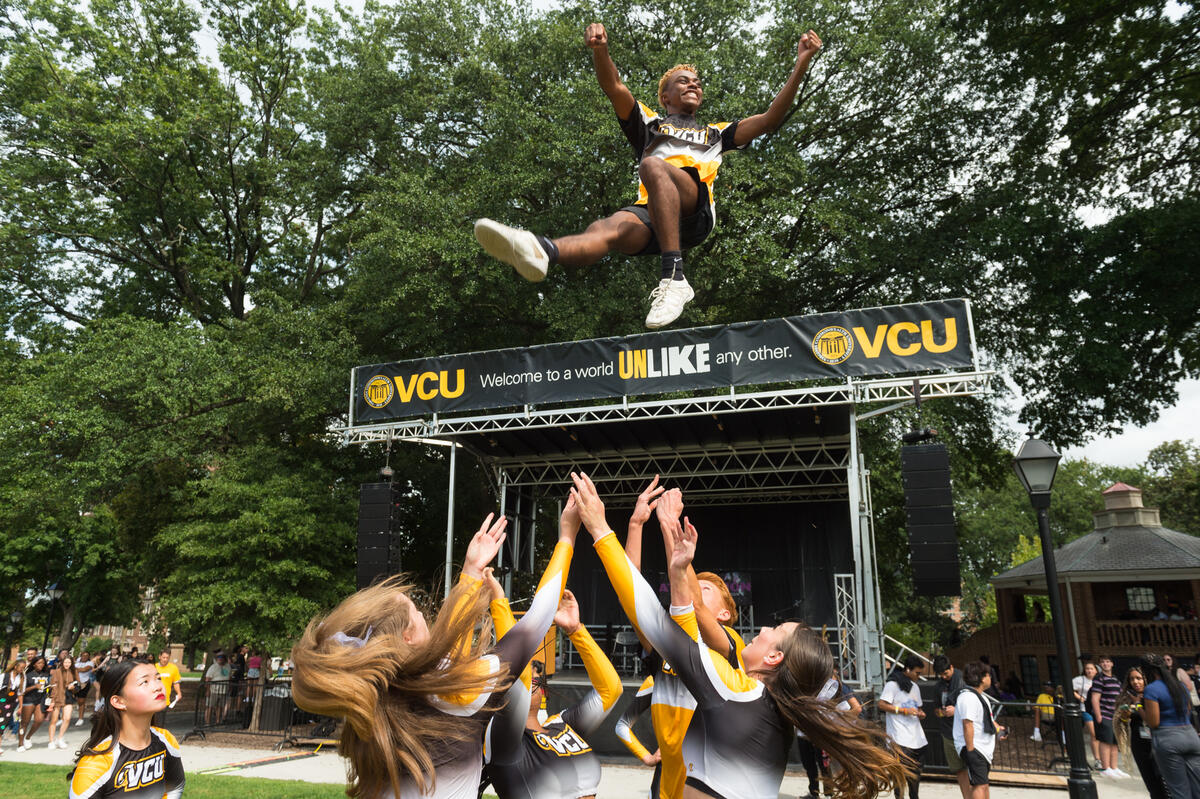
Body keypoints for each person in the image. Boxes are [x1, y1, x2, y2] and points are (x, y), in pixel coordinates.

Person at [569, 471, 908, 798]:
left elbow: (667, 608)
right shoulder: (773, 712)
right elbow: (652, 601)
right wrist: (646, 530)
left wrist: (602, 527)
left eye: (773, 630)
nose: (762, 627)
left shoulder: (733, 674)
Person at [474, 23, 823, 330]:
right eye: (683, 82)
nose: (694, 85)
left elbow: (769, 119)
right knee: (607, 228)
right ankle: (543, 251)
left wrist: (801, 63)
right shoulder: (649, 124)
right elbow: (615, 86)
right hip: (653, 214)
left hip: (694, 214)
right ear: (665, 95)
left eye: (697, 83)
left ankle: (674, 276)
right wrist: (601, 50)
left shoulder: (717, 133)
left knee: (653, 166)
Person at [291, 507, 575, 799]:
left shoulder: (375, 709)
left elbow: (445, 657)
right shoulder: (459, 695)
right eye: (416, 611)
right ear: (408, 636)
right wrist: (567, 536)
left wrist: (471, 572)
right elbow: (537, 618)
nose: (424, 615)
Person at [615, 482, 748, 799]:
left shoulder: (729, 645)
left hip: (710, 787)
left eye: (704, 588)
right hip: (664, 788)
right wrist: (636, 525)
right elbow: (632, 592)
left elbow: (694, 606)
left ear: (725, 615)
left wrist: (669, 526)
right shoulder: (668, 647)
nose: (690, 587)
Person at [483, 580, 621, 799]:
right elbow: (519, 680)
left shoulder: (562, 725)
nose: (529, 687)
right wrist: (499, 602)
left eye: (536, 683)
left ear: (544, 691)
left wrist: (576, 630)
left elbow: (610, 690)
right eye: (527, 682)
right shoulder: (504, 740)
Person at [69, 659, 184, 799]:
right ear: (118, 701)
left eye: (158, 678)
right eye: (144, 682)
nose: (158, 686)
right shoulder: (97, 762)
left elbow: (175, 786)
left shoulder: (166, 740)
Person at [1141, 653, 1200, 798]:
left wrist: (1138, 708)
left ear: (1147, 670)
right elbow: (1186, 712)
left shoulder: (1152, 689)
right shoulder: (1180, 686)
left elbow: (1154, 722)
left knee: (1179, 790)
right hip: (1190, 735)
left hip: (1168, 739)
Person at [953, 661, 1005, 798]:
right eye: (988, 675)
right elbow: (967, 725)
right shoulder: (968, 697)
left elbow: (986, 720)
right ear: (981, 678)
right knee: (979, 785)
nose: (990, 678)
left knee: (983, 784)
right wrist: (970, 752)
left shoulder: (980, 697)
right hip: (975, 748)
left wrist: (998, 729)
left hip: (983, 749)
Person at [879, 654, 929, 799]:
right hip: (899, 738)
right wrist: (902, 710)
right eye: (917, 673)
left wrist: (920, 713)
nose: (919, 676)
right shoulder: (892, 685)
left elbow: (918, 708)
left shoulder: (915, 687)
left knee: (915, 778)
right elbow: (881, 704)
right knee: (899, 777)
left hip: (917, 739)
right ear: (907, 669)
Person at [1116, 665, 1169, 799]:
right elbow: (1121, 723)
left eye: (1139, 678)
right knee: (1150, 780)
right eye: (1132, 679)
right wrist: (1124, 715)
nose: (1135, 682)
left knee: (1164, 778)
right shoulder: (1126, 697)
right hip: (1139, 743)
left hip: (1158, 741)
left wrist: (1138, 704)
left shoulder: (1153, 694)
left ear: (1145, 679)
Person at [933, 655, 970, 799]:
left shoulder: (965, 680)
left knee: (973, 768)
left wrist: (956, 710)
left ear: (951, 667)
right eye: (941, 675)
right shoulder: (938, 686)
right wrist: (943, 713)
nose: (944, 677)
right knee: (958, 769)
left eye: (946, 673)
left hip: (966, 731)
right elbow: (936, 710)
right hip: (948, 733)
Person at [1090, 655, 1126, 777]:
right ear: (1100, 665)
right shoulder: (1099, 678)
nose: (1105, 664)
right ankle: (1105, 768)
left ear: (1112, 664)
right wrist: (1098, 715)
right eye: (1103, 662)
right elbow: (1095, 698)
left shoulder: (1116, 679)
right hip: (1104, 714)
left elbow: (1120, 696)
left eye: (1108, 662)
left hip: (1115, 715)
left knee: (1115, 742)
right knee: (1105, 741)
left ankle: (1114, 767)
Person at [1073, 661, 1102, 769]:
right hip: (1086, 709)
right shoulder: (1079, 680)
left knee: (1101, 734)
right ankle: (1097, 759)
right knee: (1094, 734)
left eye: (1091, 668)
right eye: (1087, 669)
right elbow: (1070, 689)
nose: (1089, 670)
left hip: (1100, 710)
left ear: (1096, 670)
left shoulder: (1100, 680)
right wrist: (1080, 698)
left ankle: (1103, 758)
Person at [18, 654, 50, 751]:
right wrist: (34, 687)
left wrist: (49, 690)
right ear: (34, 664)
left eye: (43, 663)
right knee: (25, 723)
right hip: (29, 700)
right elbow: (22, 690)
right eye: (39, 663)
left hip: (40, 700)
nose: (41, 665)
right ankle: (20, 744)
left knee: (39, 720)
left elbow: (47, 688)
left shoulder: (46, 674)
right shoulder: (28, 675)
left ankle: (28, 737)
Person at [47, 653, 80, 748]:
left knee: (67, 718)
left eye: (69, 662)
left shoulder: (74, 672)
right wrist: (52, 700)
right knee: (54, 720)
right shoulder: (57, 672)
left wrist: (73, 688)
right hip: (57, 697)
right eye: (65, 662)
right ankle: (51, 741)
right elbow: (52, 686)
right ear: (62, 662)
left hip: (69, 696)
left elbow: (78, 685)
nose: (67, 664)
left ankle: (60, 738)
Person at [0, 659, 25, 754]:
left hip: (11, 703)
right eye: (21, 667)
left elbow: (20, 693)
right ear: (15, 666)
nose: (22, 670)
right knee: (1, 724)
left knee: (3, 724)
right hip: (1, 701)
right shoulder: (4, 676)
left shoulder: (22, 678)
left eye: (24, 668)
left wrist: (21, 706)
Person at [154, 650, 182, 728]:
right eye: (163, 657)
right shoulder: (154, 667)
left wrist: (179, 693)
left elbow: (176, 682)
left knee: (160, 724)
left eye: (167, 658)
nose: (165, 659)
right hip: (152, 699)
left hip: (164, 700)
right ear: (159, 657)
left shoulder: (173, 668)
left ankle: (158, 738)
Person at [203, 650, 231, 725]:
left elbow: (229, 677)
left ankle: (218, 721)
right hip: (214, 690)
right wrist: (208, 690)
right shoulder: (213, 667)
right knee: (210, 706)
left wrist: (229, 687)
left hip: (223, 690)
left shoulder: (228, 666)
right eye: (218, 657)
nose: (220, 658)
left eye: (222, 657)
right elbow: (207, 679)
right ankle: (207, 722)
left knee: (220, 707)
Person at [75, 649, 93, 725]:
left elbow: (84, 669)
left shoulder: (90, 663)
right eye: (83, 655)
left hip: (84, 683)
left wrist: (75, 669)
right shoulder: (77, 662)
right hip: (75, 683)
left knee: (81, 701)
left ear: (89, 657)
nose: (84, 657)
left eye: (86, 656)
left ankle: (80, 718)